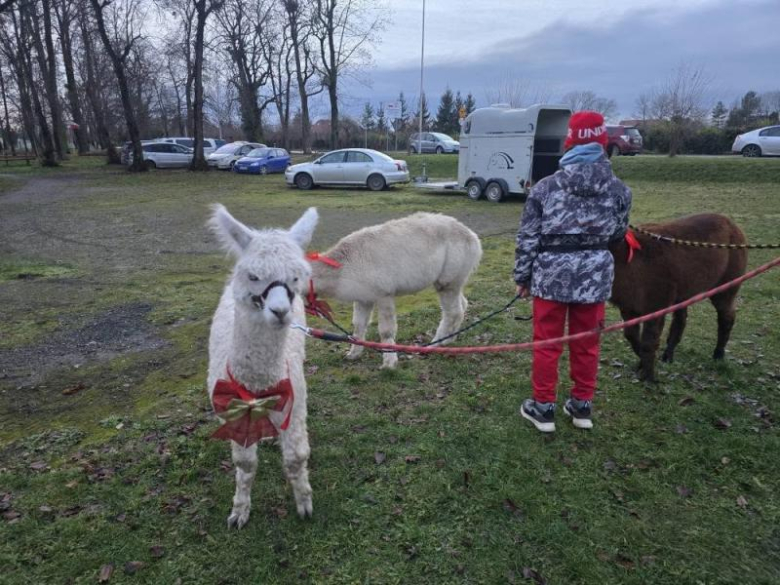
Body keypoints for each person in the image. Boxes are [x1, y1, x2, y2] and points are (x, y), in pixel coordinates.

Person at [514, 111, 632, 432]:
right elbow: (619, 234)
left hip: (551, 276)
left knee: (546, 343)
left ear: (570, 143)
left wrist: (522, 277)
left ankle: (543, 407)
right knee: (587, 343)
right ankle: (581, 407)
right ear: (603, 143)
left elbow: (528, 238)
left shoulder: (544, 189)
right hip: (594, 277)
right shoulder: (620, 191)